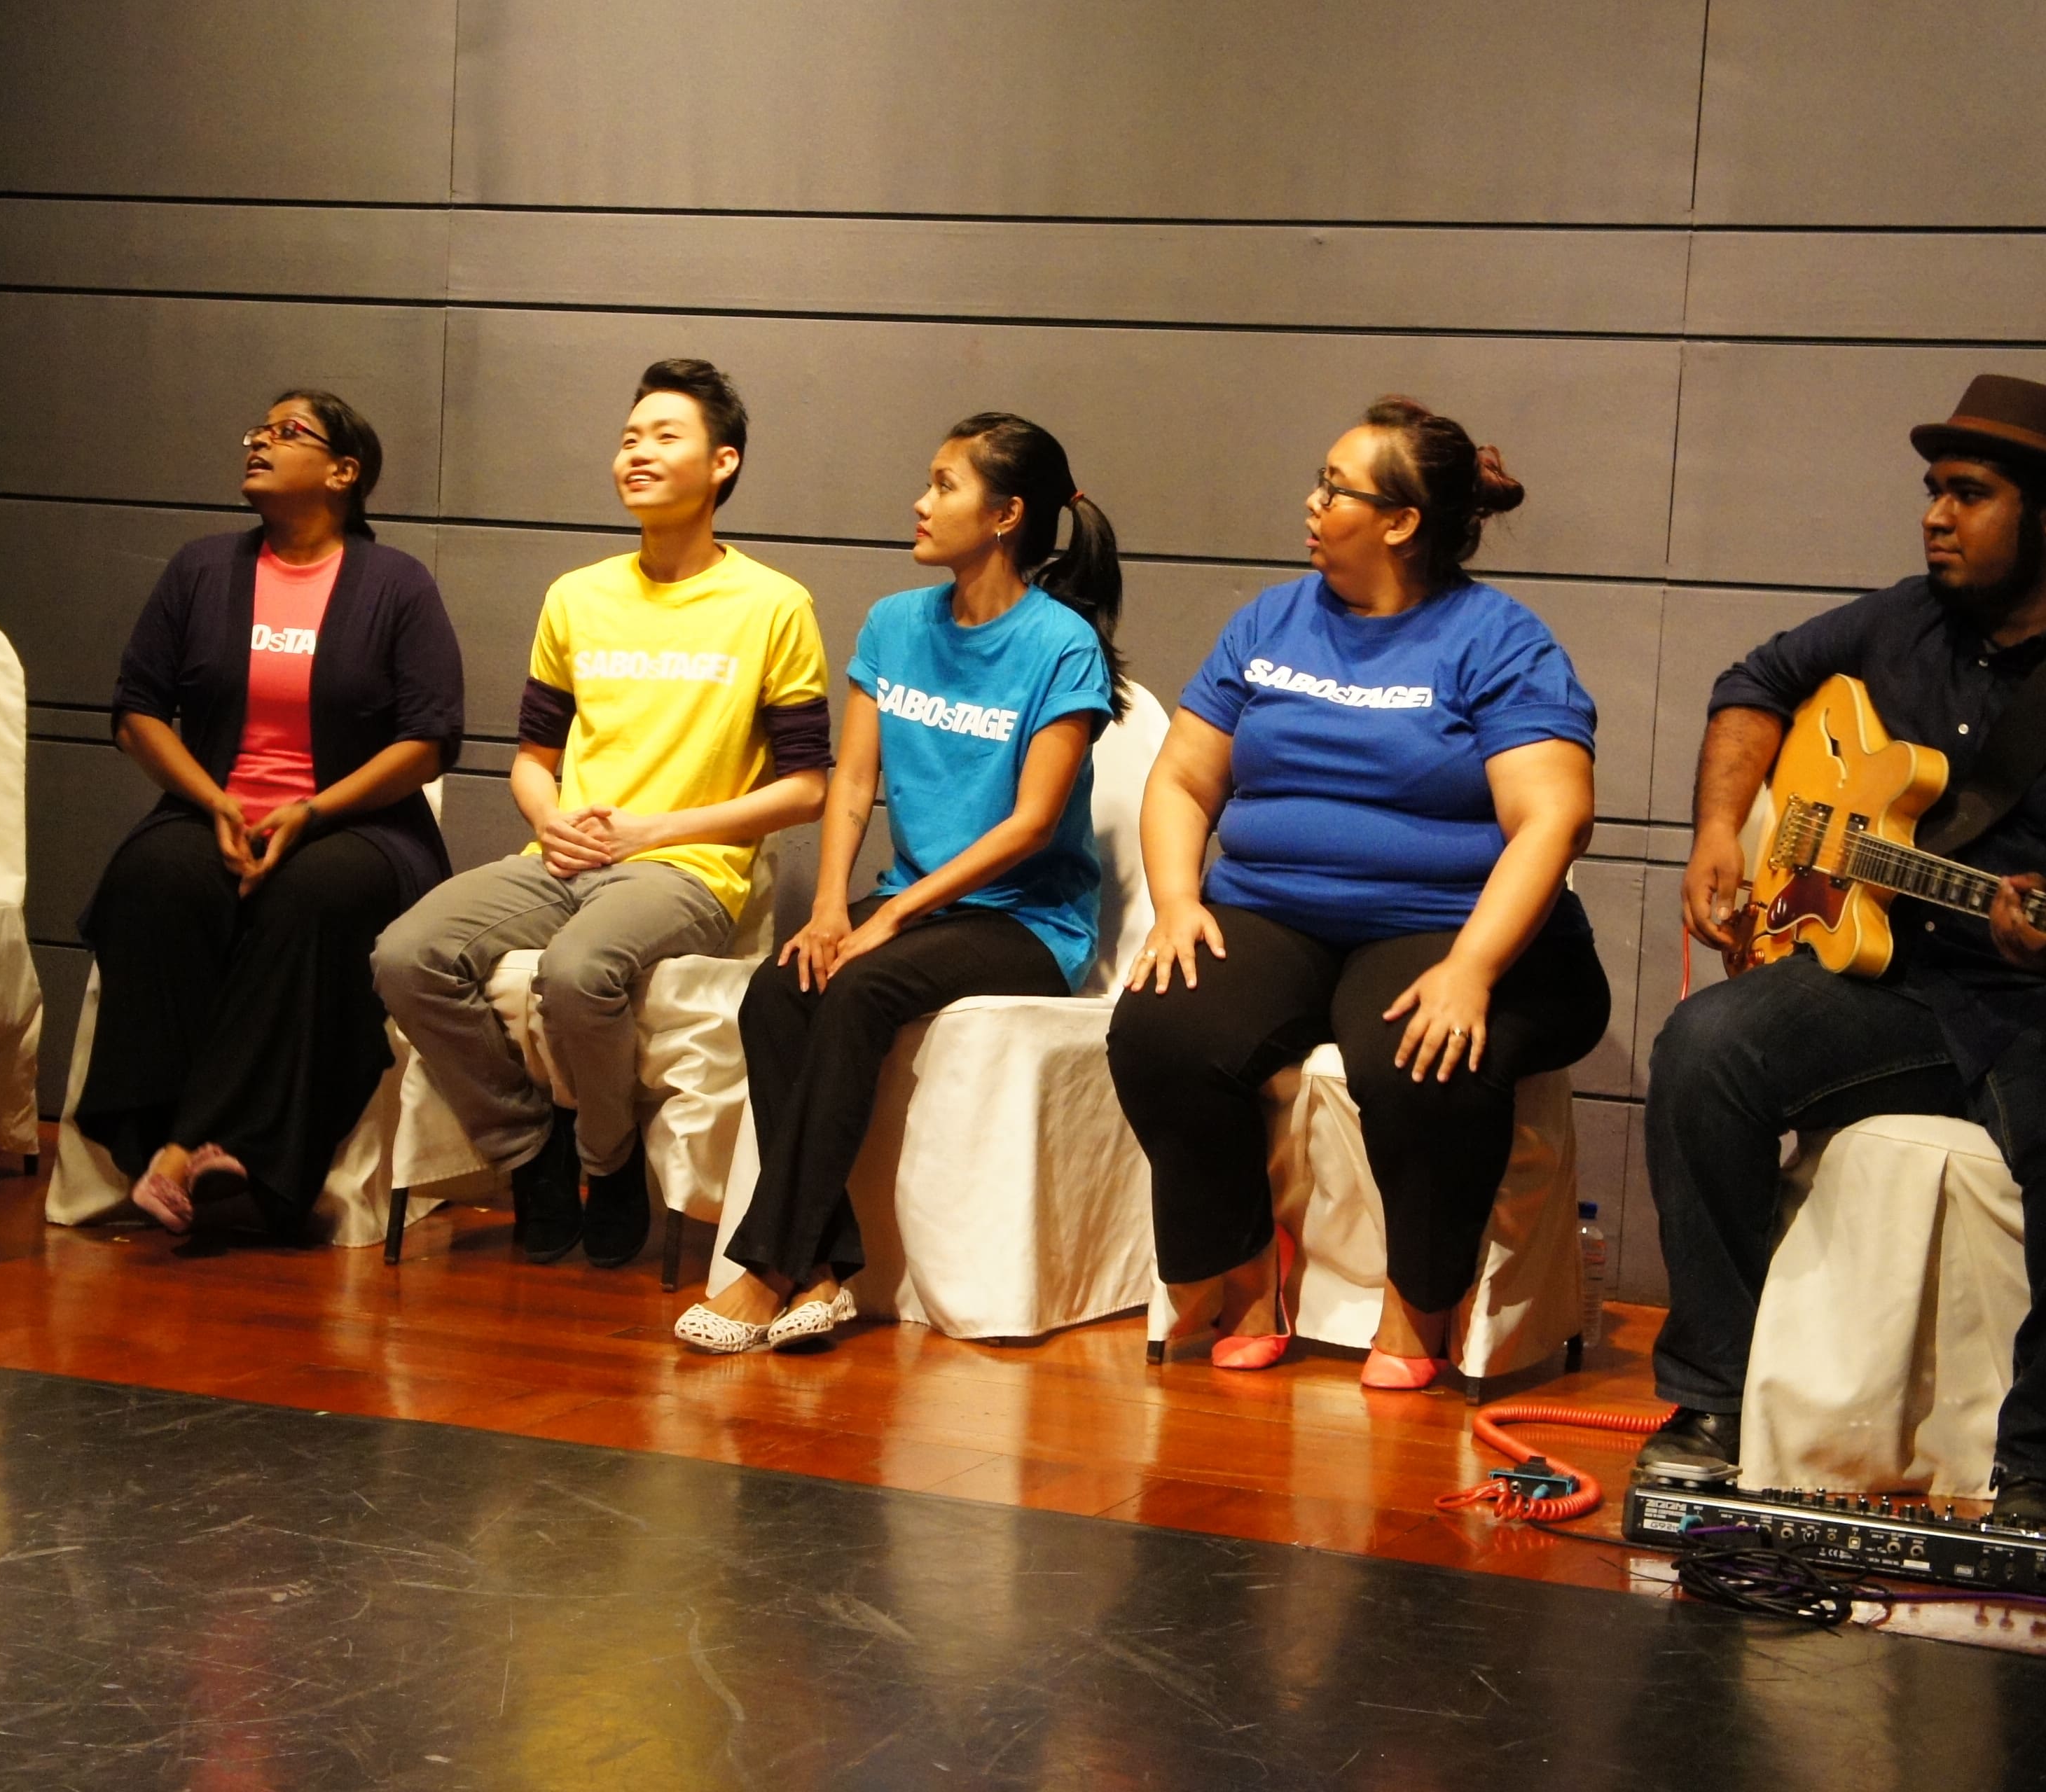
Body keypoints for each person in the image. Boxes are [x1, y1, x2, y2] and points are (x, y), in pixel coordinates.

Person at [1637, 375, 2046, 1531]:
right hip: (1912, 986)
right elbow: (1755, 683)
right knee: (1706, 1045)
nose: (1934, 514)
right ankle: (1710, 1399)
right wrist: (1721, 830)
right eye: (1932, 490)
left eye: (1968, 494)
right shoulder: (1898, 622)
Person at [1106, 396, 1608, 1391]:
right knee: (1163, 1027)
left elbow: (1553, 818)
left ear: (1401, 522)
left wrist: (1472, 967)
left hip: (1444, 918)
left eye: (1336, 488)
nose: (1312, 500)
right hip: (1274, 905)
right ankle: (1245, 1272)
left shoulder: (1497, 639)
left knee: (1421, 1057)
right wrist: (1176, 900)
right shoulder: (1272, 619)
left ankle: (1420, 1304)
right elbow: (1184, 777)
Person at [672, 414, 1127, 1354]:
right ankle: (833, 1270)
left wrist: (891, 922)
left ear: (1005, 515)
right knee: (779, 988)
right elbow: (852, 782)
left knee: (861, 988)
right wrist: (835, 907)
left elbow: (1031, 824)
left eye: (945, 486)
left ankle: (766, 1270)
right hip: (911, 897)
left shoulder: (1060, 644)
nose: (921, 504)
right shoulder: (893, 622)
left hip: (1028, 921)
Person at [373, 360, 831, 1269]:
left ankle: (608, 1162)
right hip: (561, 857)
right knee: (406, 954)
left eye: (667, 437)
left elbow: (808, 787)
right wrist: (548, 820)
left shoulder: (774, 605)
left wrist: (655, 831)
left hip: (686, 871)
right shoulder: (576, 597)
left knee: (581, 971)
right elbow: (533, 760)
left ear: (723, 464)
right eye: (630, 438)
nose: (639, 453)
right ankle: (528, 1152)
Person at [74, 389, 464, 1242]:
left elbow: (429, 739)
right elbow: (136, 709)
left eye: (287, 432)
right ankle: (164, 1131)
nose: (258, 441)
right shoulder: (201, 569)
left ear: (342, 471)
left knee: (308, 897)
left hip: (357, 826)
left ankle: (195, 1146)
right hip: (212, 811)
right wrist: (212, 797)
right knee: (154, 879)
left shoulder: (396, 583)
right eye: (256, 428)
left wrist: (312, 809)